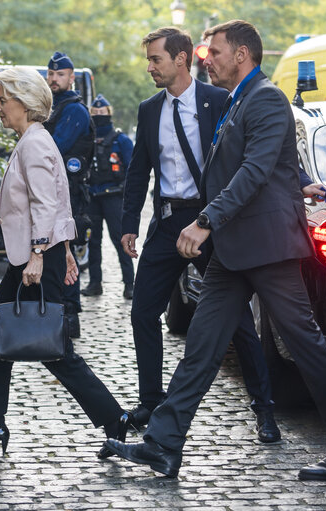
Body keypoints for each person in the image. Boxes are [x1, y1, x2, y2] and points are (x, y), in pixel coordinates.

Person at [105, 20, 326, 481]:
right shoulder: (237, 101)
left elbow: (255, 171)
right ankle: (163, 444)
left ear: (241, 54)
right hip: (234, 251)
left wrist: (204, 221)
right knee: (200, 348)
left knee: (306, 346)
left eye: (215, 52)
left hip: (268, 246)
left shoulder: (264, 98)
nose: (208, 59)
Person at [0, 67, 131, 458]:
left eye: (3, 100)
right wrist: (63, 247)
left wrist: (40, 254)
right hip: (40, 255)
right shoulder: (37, 140)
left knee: (52, 349)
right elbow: (59, 196)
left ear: (23, 103)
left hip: (33, 261)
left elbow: (45, 203)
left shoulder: (34, 144)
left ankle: (113, 417)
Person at [119, 26, 280, 442]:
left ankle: (264, 409)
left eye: (156, 58)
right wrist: (127, 226)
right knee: (142, 313)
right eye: (149, 59)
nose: (149, 66)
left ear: (181, 59)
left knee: (239, 321)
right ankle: (151, 402)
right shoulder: (148, 109)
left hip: (210, 223)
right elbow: (138, 173)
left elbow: (251, 156)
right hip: (168, 221)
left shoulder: (219, 101)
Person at [43, 52, 96, 338]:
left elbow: (52, 148)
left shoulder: (74, 110)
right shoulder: (50, 107)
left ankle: (69, 315)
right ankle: (52, 312)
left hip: (69, 195)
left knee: (66, 256)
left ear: (71, 77)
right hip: (49, 193)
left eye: (59, 74)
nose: (53, 79)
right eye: (51, 74)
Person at [81, 94, 135, 299]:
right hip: (92, 197)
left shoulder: (121, 140)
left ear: (109, 114)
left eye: (102, 113)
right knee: (93, 242)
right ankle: (95, 283)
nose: (98, 116)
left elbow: (132, 170)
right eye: (95, 113)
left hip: (113, 197)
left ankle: (129, 284)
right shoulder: (86, 139)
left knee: (120, 240)